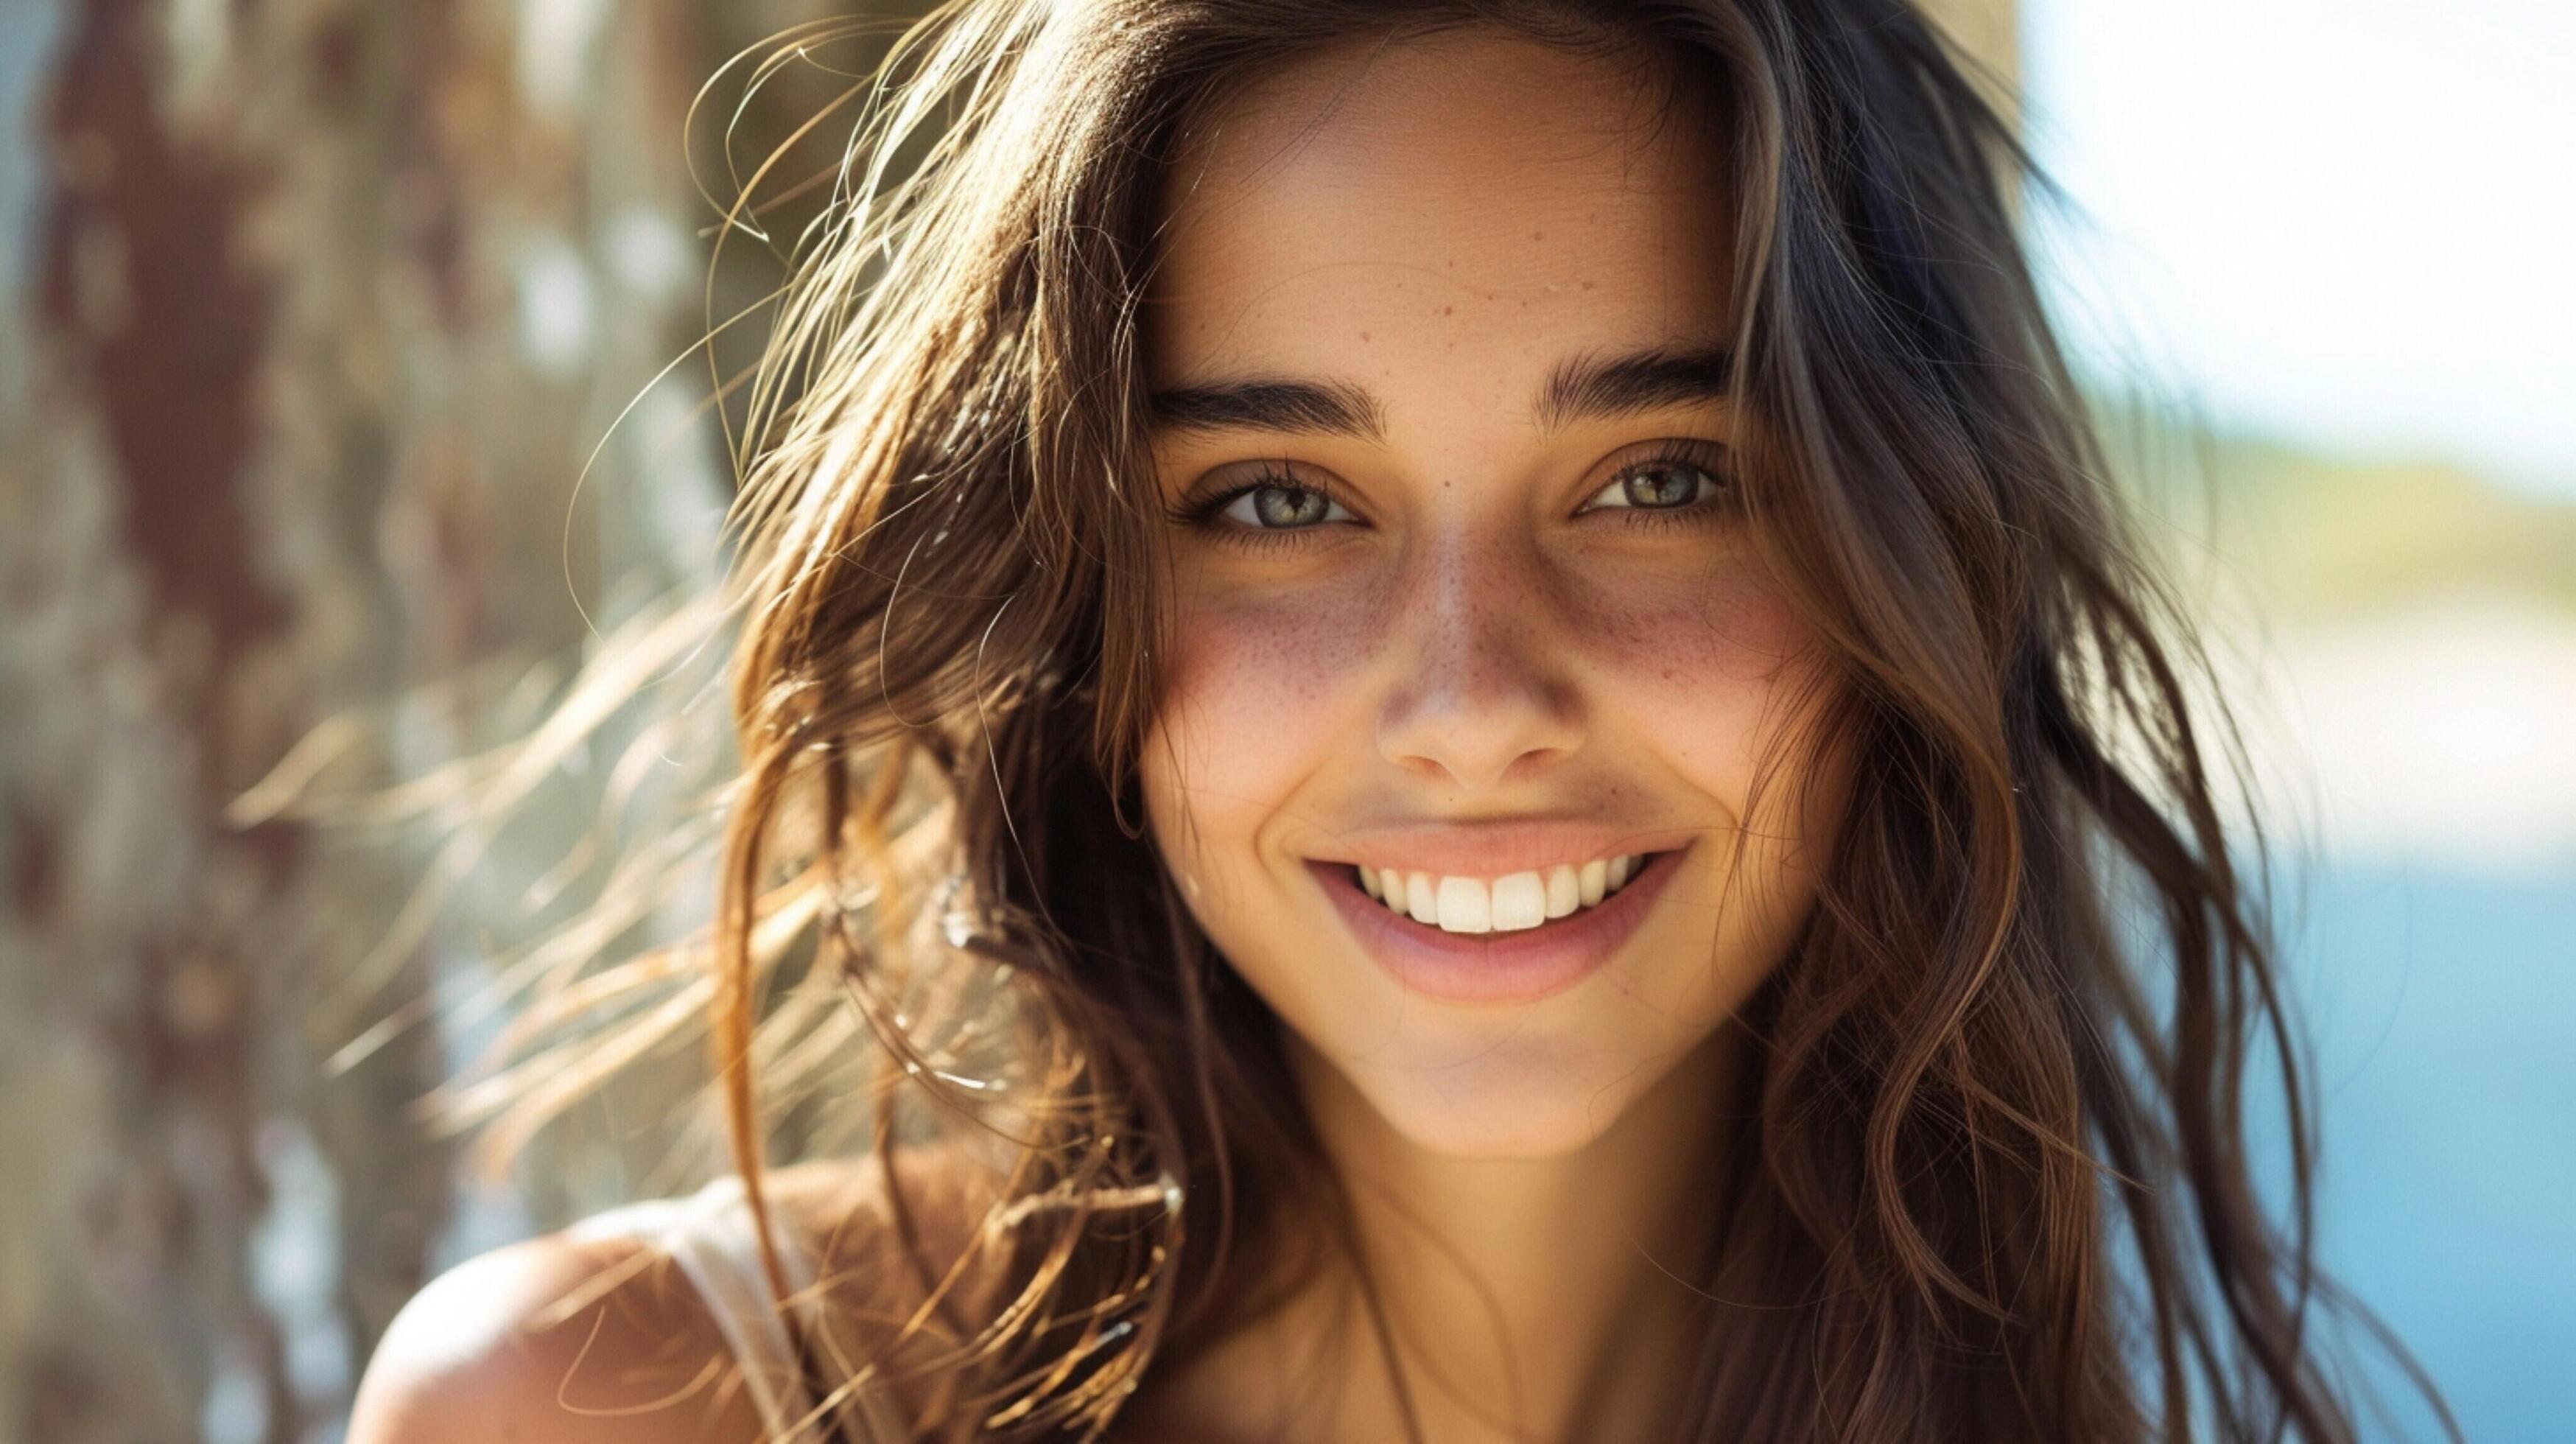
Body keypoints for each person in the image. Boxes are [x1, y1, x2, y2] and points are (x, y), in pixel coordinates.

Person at [348, 1, 2443, 1440]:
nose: (1467, 706)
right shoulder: (620, 1411)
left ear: (1906, 561)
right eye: (1274, 503)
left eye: (1660, 481)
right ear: (1080, 603)